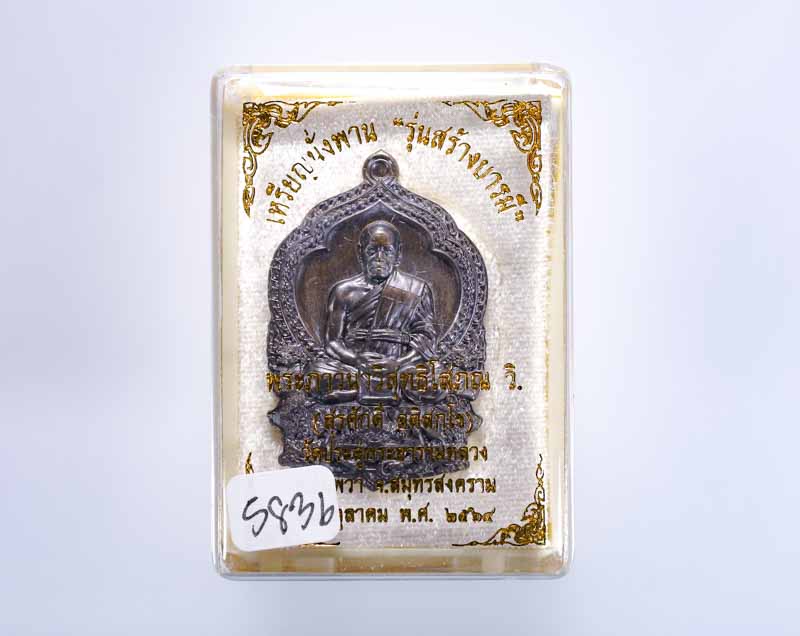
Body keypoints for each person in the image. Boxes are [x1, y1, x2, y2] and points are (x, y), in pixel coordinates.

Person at [305, 220, 438, 403]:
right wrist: (355, 359)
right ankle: (379, 388)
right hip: (355, 367)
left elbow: (427, 339)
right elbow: (333, 342)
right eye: (372, 251)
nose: (379, 257)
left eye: (387, 251)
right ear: (360, 253)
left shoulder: (416, 289)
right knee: (316, 375)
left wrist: (398, 363)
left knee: (435, 379)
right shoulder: (344, 291)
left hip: (401, 367)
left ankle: (358, 390)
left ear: (398, 254)